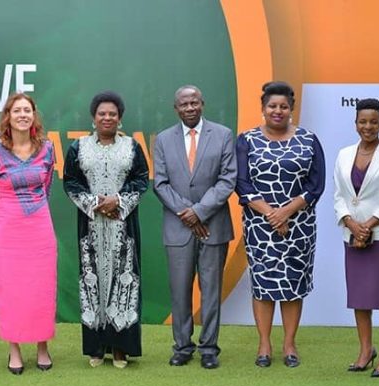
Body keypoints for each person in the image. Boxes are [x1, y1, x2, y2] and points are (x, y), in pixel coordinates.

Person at [235, 81, 325, 368]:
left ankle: (289, 344)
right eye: (272, 106)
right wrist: (271, 215)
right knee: (263, 283)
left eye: (283, 106)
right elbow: (242, 183)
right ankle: (264, 344)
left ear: (291, 109)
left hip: (299, 225)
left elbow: (316, 184)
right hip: (260, 226)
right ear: (263, 108)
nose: (278, 111)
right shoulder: (246, 140)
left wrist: (285, 212)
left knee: (293, 282)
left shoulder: (309, 140)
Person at [63, 91, 149, 369]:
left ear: (120, 118)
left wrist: (118, 202)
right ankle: (97, 347)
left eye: (112, 113)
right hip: (90, 225)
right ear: (94, 117)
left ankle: (121, 348)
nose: (107, 118)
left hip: (123, 225)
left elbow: (141, 179)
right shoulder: (78, 147)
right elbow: (71, 181)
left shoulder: (132, 147)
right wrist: (95, 203)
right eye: (102, 113)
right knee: (92, 282)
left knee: (124, 281)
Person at [154, 85, 237, 369]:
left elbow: (227, 179)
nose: (189, 108)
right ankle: (182, 346)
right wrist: (187, 214)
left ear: (202, 104)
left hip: (213, 225)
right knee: (179, 291)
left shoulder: (223, 135)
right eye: (184, 104)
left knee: (211, 290)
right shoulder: (163, 139)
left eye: (194, 103)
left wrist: (199, 212)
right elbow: (160, 183)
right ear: (175, 108)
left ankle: (209, 348)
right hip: (178, 228)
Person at [0, 92, 56, 375]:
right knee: (12, 291)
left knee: (41, 289)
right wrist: (5, 216)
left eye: (27, 110)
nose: (23, 115)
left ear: (34, 116)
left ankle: (42, 347)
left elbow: (47, 185)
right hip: (9, 231)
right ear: (8, 117)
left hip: (41, 229)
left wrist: (33, 212)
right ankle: (14, 350)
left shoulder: (47, 148)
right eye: (17, 111)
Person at [333, 98, 379, 377]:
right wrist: (352, 224)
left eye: (373, 122)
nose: (368, 126)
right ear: (355, 124)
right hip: (353, 236)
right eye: (363, 121)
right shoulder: (343, 154)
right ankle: (366, 350)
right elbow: (339, 196)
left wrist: (368, 225)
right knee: (360, 296)